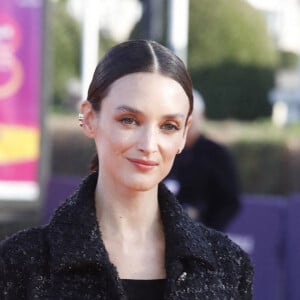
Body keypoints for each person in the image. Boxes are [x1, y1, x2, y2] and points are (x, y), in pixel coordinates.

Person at [0, 40, 253, 299]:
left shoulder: (229, 267)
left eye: (168, 126)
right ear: (88, 119)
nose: (148, 145)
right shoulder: (20, 264)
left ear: (184, 134)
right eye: (129, 121)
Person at [165, 90, 241, 231]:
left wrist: (208, 231)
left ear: (202, 117)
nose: (188, 123)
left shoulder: (217, 154)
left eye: (192, 116)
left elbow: (229, 201)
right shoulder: (164, 148)